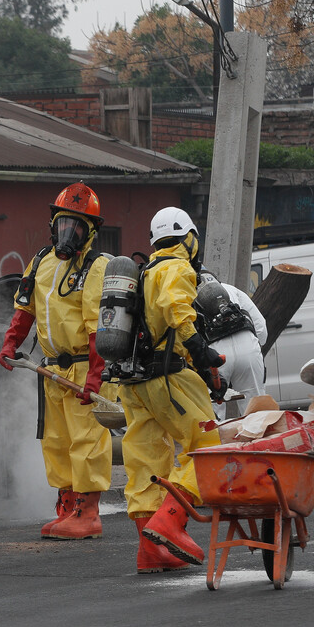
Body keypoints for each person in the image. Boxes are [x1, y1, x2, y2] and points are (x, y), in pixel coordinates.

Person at [0, 182, 114, 540]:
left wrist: (95, 377)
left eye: (79, 226)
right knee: (56, 441)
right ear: (54, 224)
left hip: (83, 367)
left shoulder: (96, 268)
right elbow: (26, 307)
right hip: (51, 370)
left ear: (91, 232)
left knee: (86, 440)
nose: (70, 233)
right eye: (65, 223)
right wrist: (11, 341)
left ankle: (88, 512)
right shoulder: (41, 262)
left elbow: (99, 329)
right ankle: (67, 504)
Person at [113, 207, 224, 572]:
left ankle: (150, 550)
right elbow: (177, 310)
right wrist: (200, 350)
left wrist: (203, 367)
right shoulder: (177, 267)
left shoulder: (143, 272)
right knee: (206, 447)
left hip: (135, 383)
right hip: (167, 379)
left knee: (145, 461)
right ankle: (169, 522)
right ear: (189, 238)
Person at [194, 270, 268, 416]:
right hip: (248, 348)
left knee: (214, 417)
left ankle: (218, 438)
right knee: (257, 414)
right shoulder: (233, 290)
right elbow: (261, 328)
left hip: (214, 357)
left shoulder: (187, 297)